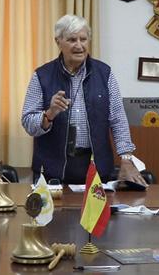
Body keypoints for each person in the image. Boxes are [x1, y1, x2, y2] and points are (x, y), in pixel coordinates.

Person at [21, 14, 146, 185]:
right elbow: (28, 123)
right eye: (72, 40)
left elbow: (118, 119)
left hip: (97, 170)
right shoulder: (42, 76)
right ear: (58, 42)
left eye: (83, 39)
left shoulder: (105, 74)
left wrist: (126, 158)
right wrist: (49, 114)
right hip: (52, 173)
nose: (79, 46)